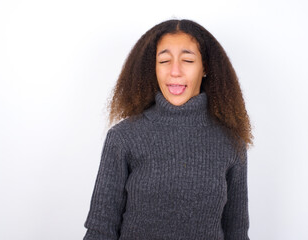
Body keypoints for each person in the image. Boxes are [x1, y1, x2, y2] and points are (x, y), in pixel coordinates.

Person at [83, 19, 254, 240]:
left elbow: (237, 233)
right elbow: (100, 231)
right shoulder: (123, 138)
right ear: (153, 68)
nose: (175, 71)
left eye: (188, 60)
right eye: (164, 60)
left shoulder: (231, 142)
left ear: (205, 68)